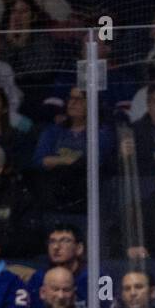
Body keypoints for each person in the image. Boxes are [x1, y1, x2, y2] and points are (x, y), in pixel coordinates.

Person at [31, 87, 112, 216]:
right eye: (70, 98)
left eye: (79, 99)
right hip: (53, 197)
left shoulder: (101, 133)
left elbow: (95, 161)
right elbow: (39, 160)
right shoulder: (53, 131)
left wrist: (56, 160)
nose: (72, 103)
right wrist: (68, 160)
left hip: (86, 201)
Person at [25, 223, 88, 308]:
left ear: (79, 248)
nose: (56, 247)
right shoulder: (39, 278)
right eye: (52, 241)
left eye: (65, 241)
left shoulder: (94, 278)